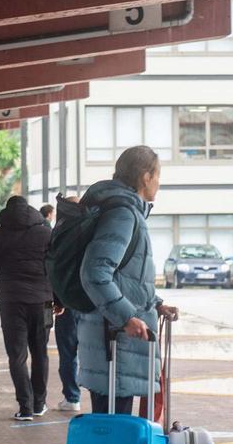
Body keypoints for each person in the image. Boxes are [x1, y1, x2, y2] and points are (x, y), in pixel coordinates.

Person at [76, 146, 177, 415]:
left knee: (113, 426)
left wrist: (155, 303)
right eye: (157, 175)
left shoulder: (121, 209)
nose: (159, 183)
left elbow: (128, 275)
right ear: (146, 177)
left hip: (115, 341)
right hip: (115, 344)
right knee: (114, 428)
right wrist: (126, 317)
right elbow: (95, 273)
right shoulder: (122, 213)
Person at [0, 196, 53, 420]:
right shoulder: (47, 233)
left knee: (17, 355)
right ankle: (39, 403)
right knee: (41, 352)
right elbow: (55, 266)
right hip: (44, 301)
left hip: (10, 301)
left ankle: (25, 407)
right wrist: (59, 301)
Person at [51, 196, 82, 412]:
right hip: (93, 302)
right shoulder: (94, 229)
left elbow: (54, 270)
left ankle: (72, 397)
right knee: (95, 352)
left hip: (68, 303)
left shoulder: (59, 234)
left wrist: (57, 300)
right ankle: (100, 397)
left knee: (68, 352)